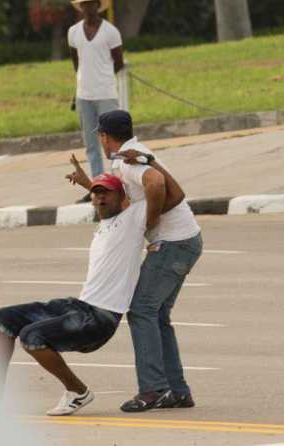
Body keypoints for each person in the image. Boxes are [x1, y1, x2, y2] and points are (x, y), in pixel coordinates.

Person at [0, 165, 185, 416]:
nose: (100, 197)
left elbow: (174, 195)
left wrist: (150, 161)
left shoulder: (132, 220)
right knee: (2, 320)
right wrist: (90, 184)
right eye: (96, 194)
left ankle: (77, 392)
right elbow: (104, 199)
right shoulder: (106, 222)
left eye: (106, 193)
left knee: (32, 337)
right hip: (79, 305)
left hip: (99, 318)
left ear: (123, 199)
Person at [67, 109, 202, 412]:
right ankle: (177, 391)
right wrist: (90, 185)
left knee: (141, 310)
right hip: (184, 241)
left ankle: (153, 390)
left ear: (104, 136)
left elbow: (155, 184)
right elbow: (127, 203)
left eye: (99, 136)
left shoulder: (128, 161)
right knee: (155, 315)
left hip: (173, 244)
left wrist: (150, 224)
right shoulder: (132, 154)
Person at [68, 0, 124, 203]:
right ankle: (98, 187)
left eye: (91, 3)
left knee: (114, 142)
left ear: (98, 5)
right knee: (91, 145)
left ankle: (121, 184)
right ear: (81, 7)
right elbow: (76, 61)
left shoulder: (110, 32)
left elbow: (118, 62)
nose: (88, 7)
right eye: (84, 4)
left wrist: (103, 79)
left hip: (106, 93)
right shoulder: (73, 32)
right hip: (84, 95)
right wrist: (83, 82)